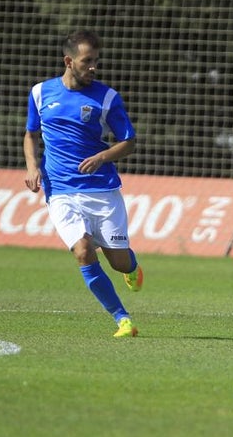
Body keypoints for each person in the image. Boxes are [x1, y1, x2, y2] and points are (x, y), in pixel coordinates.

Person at [23, 30, 144, 338]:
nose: (93, 67)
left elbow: (129, 142)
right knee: (82, 250)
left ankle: (130, 267)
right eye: (87, 61)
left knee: (118, 261)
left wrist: (102, 156)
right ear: (69, 61)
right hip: (61, 190)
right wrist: (32, 165)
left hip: (102, 189)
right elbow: (31, 134)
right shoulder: (40, 93)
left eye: (96, 61)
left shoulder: (107, 98)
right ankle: (122, 319)